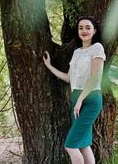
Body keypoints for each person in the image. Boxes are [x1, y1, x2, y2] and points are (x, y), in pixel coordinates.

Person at [43, 16, 106, 164]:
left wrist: (80, 100)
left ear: (94, 30)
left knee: (70, 146)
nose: (84, 30)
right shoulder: (77, 52)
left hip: (90, 100)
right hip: (77, 100)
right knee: (83, 145)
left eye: (88, 27)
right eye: (80, 28)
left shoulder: (97, 48)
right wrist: (49, 66)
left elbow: (95, 78)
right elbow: (69, 78)